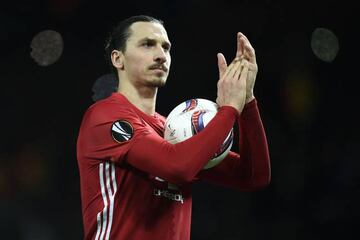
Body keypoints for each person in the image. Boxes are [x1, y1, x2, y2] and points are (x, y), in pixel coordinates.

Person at [77, 15, 270, 240]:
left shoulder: (174, 132)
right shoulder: (104, 117)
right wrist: (229, 110)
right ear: (118, 59)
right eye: (147, 44)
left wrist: (246, 102)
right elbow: (177, 166)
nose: (161, 55)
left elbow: (253, 176)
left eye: (166, 47)